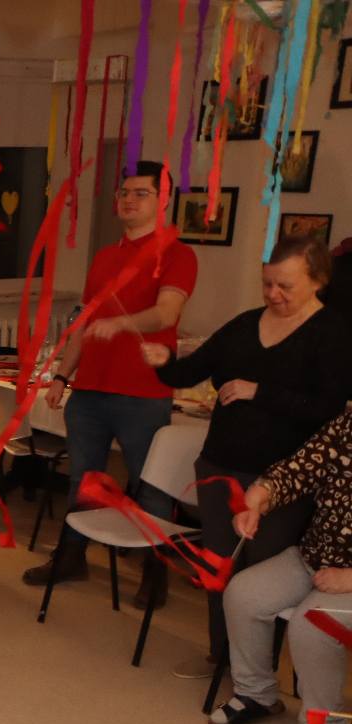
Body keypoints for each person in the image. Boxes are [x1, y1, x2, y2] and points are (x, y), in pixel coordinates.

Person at [142, 234, 352, 678]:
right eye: (267, 283)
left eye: (285, 286)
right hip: (219, 465)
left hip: (281, 483)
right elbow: (191, 370)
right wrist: (164, 361)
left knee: (257, 582)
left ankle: (257, 674)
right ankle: (220, 657)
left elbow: (329, 409)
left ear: (317, 281)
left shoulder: (332, 334)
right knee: (218, 568)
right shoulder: (244, 325)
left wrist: (261, 392)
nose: (273, 294)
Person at [23, 161, 200, 608]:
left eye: (141, 193)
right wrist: (62, 374)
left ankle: (155, 573)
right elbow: (84, 322)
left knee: (149, 486)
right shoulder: (104, 257)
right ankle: (72, 556)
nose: (128, 200)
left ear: (162, 200)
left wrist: (121, 324)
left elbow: (167, 313)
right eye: (124, 192)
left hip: (143, 394)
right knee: (83, 480)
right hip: (90, 392)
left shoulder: (177, 254)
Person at [210, 406, 352, 724]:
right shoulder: (349, 422)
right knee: (243, 594)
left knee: (313, 625)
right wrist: (258, 498)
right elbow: (300, 467)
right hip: (315, 555)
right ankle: (256, 695)